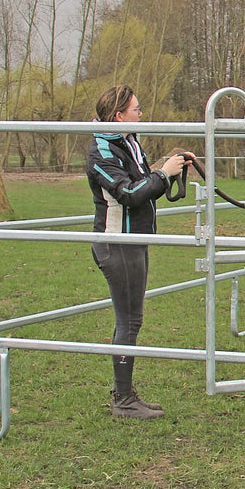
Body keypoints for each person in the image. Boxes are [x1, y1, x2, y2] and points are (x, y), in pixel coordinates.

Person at [86, 84, 196, 420]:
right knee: (128, 320)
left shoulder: (128, 142)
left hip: (135, 240)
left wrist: (167, 168)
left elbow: (145, 184)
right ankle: (122, 399)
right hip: (117, 242)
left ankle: (125, 394)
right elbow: (130, 194)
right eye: (136, 109)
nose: (141, 113)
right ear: (119, 115)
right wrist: (164, 173)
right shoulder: (101, 152)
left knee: (132, 319)